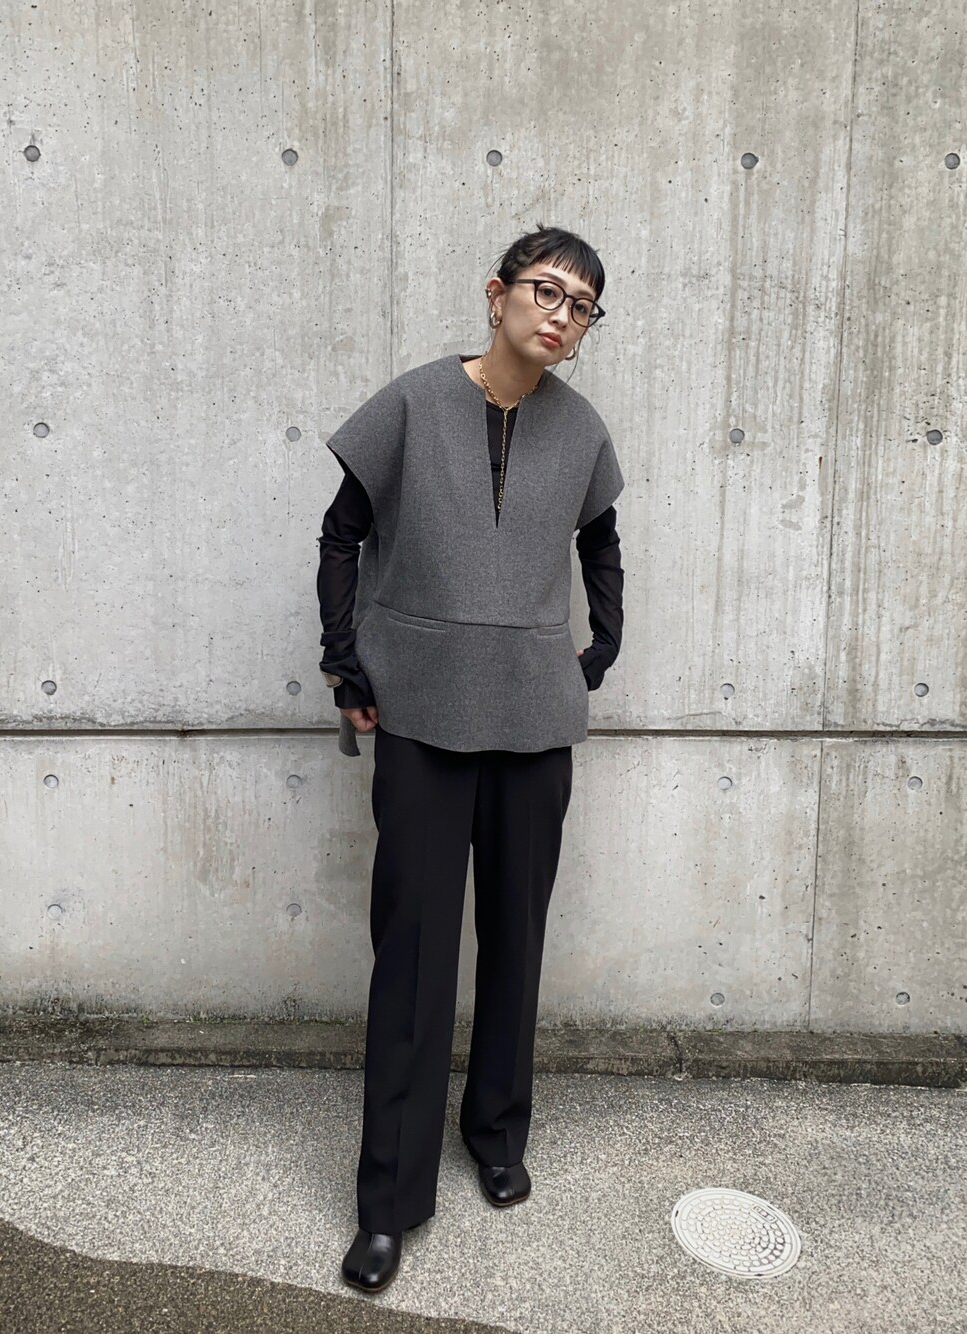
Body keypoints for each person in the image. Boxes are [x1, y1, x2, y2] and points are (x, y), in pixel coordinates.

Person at [315, 225, 625, 1293]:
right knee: (412, 954)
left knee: (515, 937)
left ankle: (496, 1131)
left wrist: (600, 646)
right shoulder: (411, 403)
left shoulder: (580, 429)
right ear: (498, 293)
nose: (561, 315)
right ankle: (389, 1199)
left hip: (535, 718)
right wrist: (346, 664)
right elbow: (342, 532)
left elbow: (600, 540)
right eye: (547, 291)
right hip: (421, 711)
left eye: (582, 305)